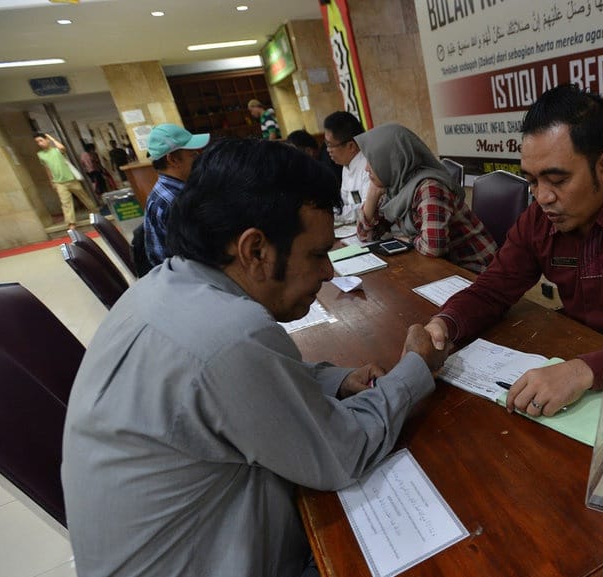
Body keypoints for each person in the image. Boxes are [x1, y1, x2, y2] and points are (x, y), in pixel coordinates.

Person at [61, 138, 446, 577]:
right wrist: (415, 367)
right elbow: (344, 452)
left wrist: (334, 381)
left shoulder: (162, 285)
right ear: (255, 251)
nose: (328, 272)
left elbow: (227, 387)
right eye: (317, 254)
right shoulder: (230, 332)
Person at [424, 85, 603, 417]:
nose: (542, 197)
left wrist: (582, 371)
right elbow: (492, 289)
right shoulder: (539, 220)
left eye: (557, 181)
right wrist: (443, 326)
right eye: (532, 181)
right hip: (575, 366)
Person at [355, 123, 497, 272]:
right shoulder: (396, 185)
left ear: (391, 161)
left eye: (372, 162)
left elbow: (433, 248)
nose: (366, 168)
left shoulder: (429, 188)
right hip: (442, 267)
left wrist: (409, 240)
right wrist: (372, 196)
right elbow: (365, 235)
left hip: (475, 269)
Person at [142, 123, 209, 268]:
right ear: (173, 160)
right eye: (193, 155)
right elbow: (205, 256)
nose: (199, 158)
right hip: (186, 275)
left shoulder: (166, 190)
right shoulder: (176, 202)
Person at [33, 132, 99, 230]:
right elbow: (47, 168)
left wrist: (51, 138)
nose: (39, 143)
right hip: (59, 182)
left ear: (46, 140)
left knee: (83, 197)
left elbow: (62, 147)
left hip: (71, 179)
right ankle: (71, 223)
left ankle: (95, 212)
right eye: (37, 142)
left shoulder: (57, 150)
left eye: (41, 140)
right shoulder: (40, 155)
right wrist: (52, 181)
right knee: (65, 203)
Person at [322, 111, 369, 225]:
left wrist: (332, 214)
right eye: (326, 144)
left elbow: (366, 208)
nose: (328, 150)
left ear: (351, 146)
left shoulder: (368, 166)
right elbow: (344, 202)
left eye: (330, 145)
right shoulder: (346, 166)